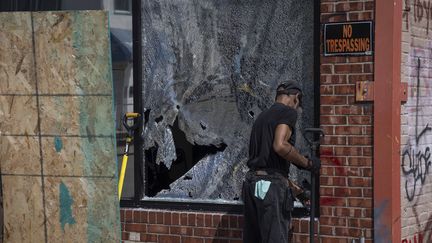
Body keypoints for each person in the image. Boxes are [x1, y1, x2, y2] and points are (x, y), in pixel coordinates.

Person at [242, 80, 321, 243]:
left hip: (252, 185)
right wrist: (307, 164)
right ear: (296, 98)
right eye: (298, 103)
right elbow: (280, 146)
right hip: (270, 187)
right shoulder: (288, 112)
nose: (297, 108)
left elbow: (266, 165)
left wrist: (293, 187)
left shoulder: (262, 117)